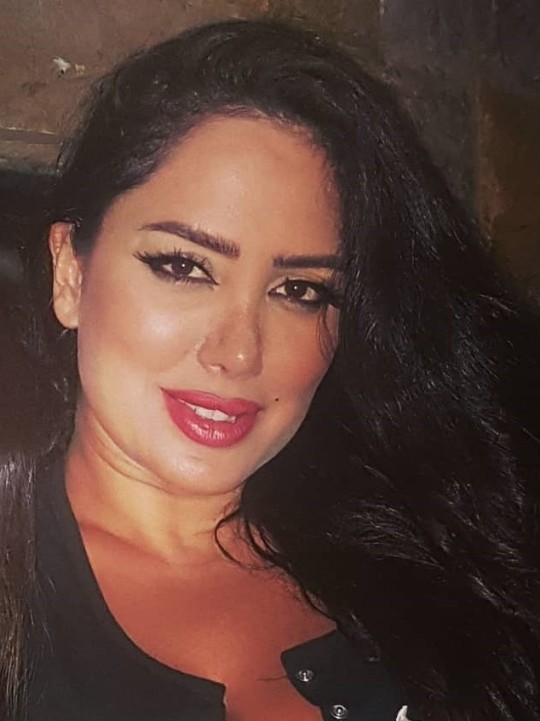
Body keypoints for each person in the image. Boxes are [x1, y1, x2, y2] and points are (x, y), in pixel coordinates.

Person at [1, 17, 539, 721]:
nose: (238, 352)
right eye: (184, 266)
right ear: (71, 274)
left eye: (300, 290)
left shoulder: (435, 546)